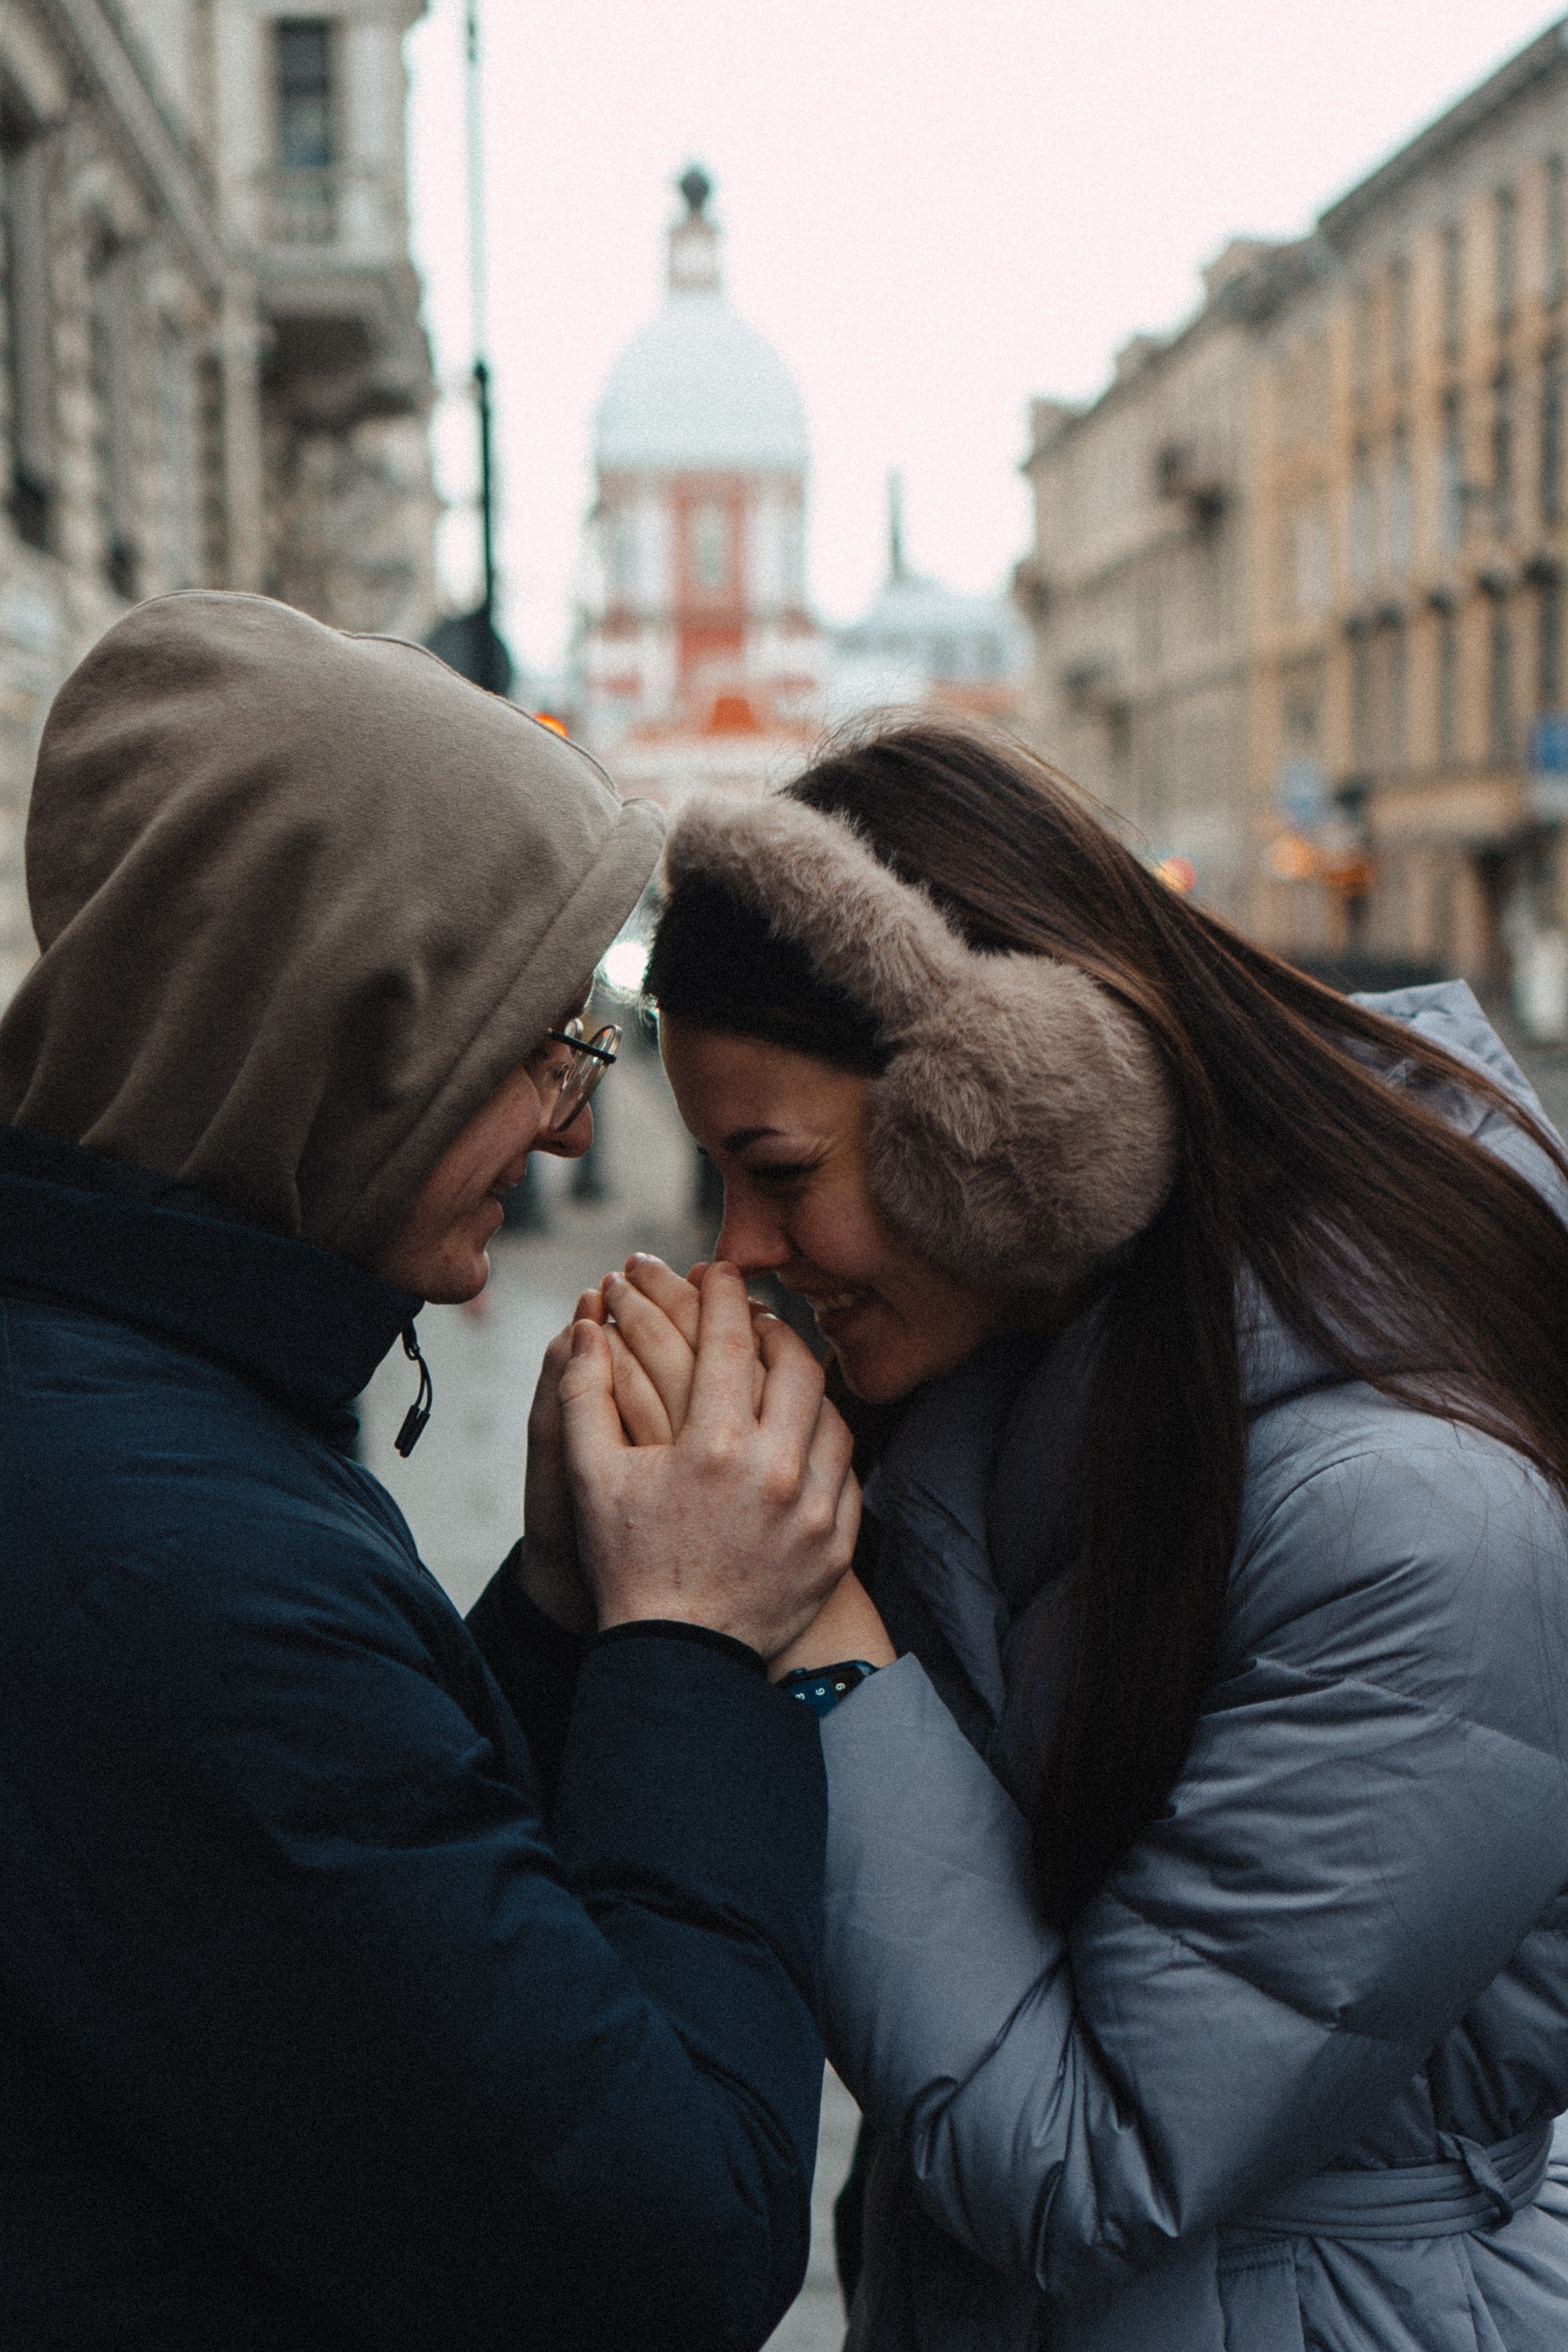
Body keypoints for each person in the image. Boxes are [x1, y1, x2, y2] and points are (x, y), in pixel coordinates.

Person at [597, 714, 1568, 2350]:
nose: (739, 1255)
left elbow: (1085, 2168)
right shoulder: (1018, 1364)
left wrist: (812, 1624)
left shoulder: (1420, 1537)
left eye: (773, 1173)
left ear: (1014, 1114)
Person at [0, 591, 862, 2352]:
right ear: (355, 1042)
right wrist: (694, 1640)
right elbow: (663, 2245)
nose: (567, 1123)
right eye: (535, 1046)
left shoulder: (139, 1394)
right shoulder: (180, 1571)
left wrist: (550, 1613)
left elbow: (383, 1954)